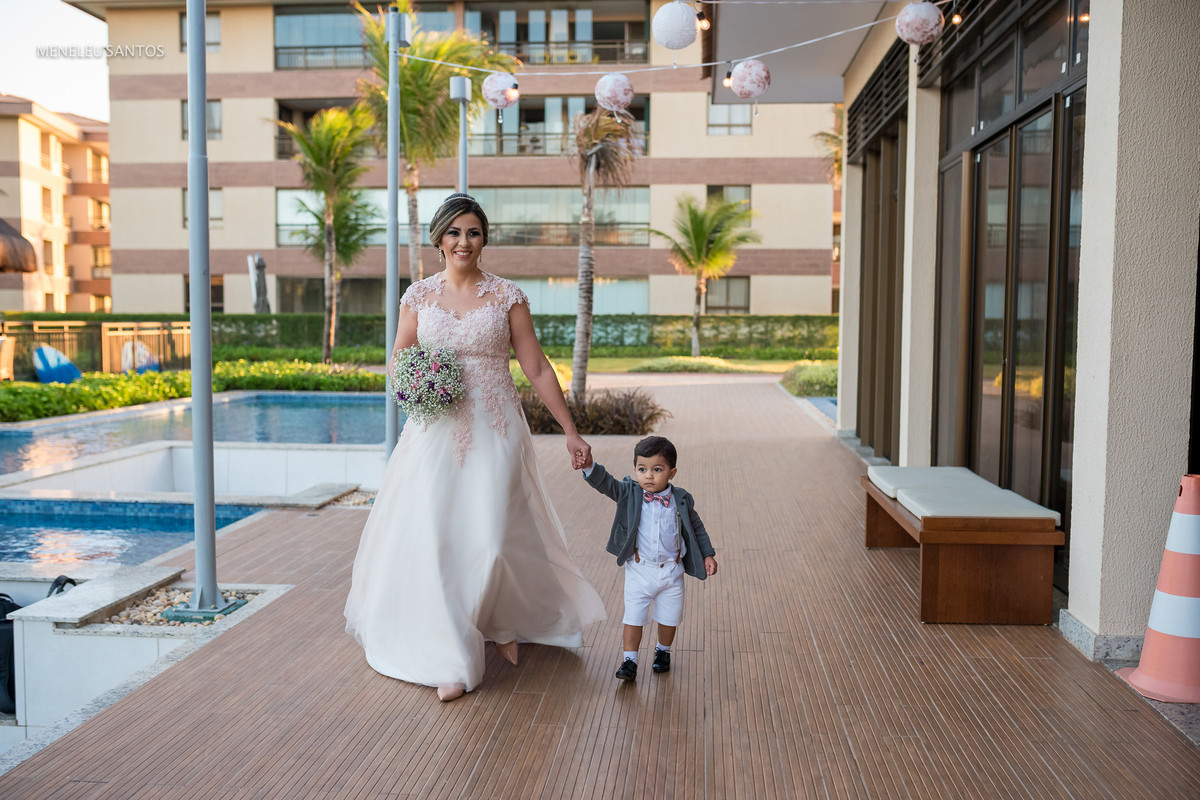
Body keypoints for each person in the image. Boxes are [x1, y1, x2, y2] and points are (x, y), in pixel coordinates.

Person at [344, 193, 605, 702]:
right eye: (455, 232)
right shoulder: (417, 296)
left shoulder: (508, 296)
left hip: (495, 427)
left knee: (491, 536)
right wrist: (417, 381)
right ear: (439, 238)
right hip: (434, 429)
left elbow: (536, 368)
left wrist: (570, 431)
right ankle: (450, 654)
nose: (464, 242)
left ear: (484, 239)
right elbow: (399, 359)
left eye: (474, 232)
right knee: (439, 537)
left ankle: (500, 618)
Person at [580, 435, 717, 682]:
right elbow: (606, 484)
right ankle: (629, 660)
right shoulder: (629, 493)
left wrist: (707, 554)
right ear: (635, 470)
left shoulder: (681, 499)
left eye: (657, 469)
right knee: (633, 617)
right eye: (642, 469)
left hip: (671, 572)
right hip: (639, 570)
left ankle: (662, 652)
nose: (649, 476)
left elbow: (696, 528)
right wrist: (590, 466)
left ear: (672, 472)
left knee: (669, 618)